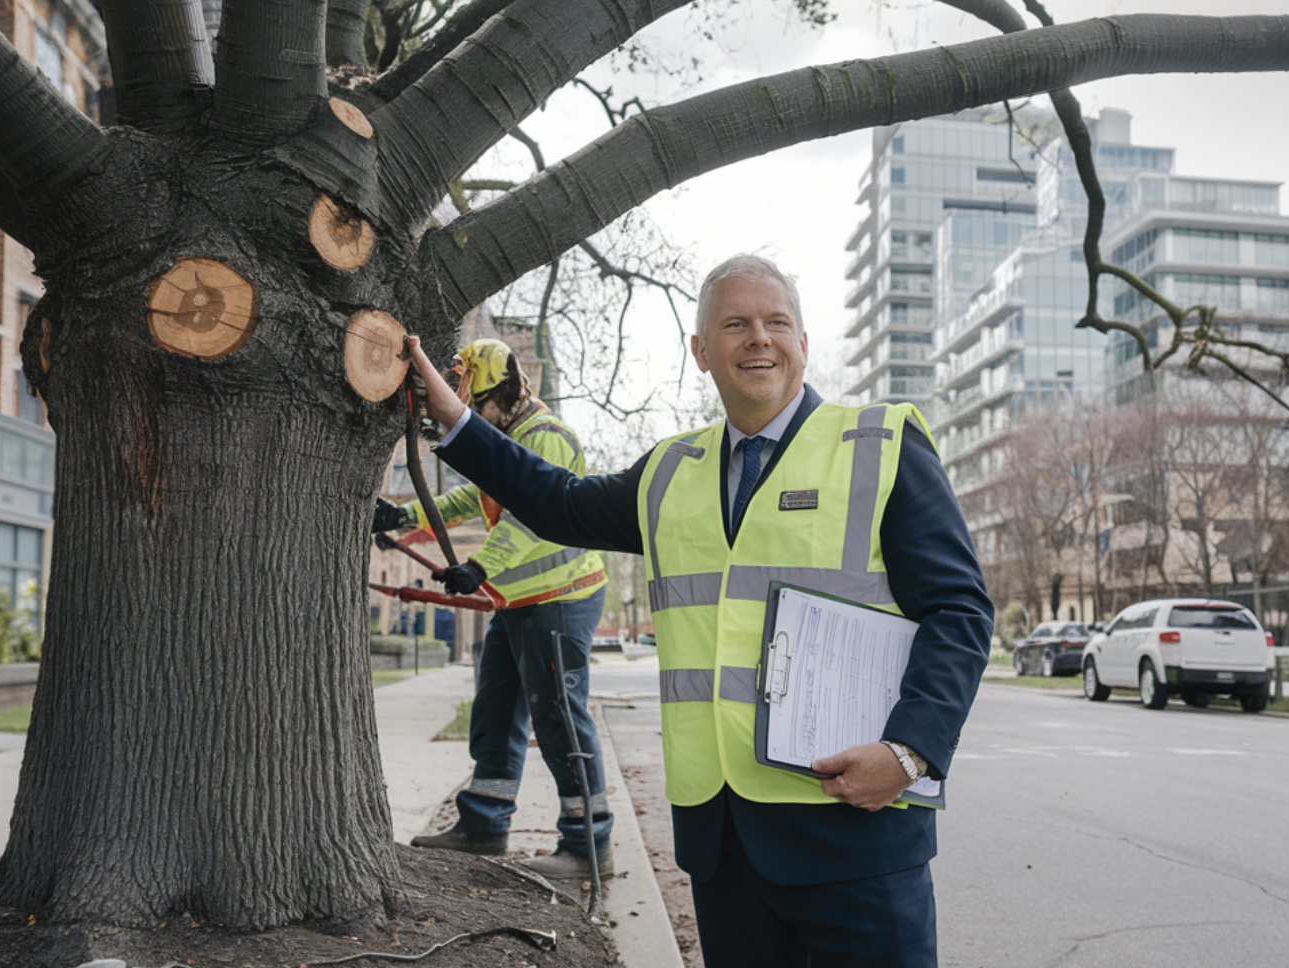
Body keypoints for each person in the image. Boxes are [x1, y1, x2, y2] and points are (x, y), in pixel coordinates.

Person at [403, 256, 993, 967]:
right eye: (735, 324)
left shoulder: (881, 443)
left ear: (804, 342)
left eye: (777, 322)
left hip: (855, 832)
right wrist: (455, 418)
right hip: (724, 846)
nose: (759, 339)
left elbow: (958, 609)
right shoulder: (669, 471)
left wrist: (909, 753)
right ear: (701, 352)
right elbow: (557, 500)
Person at [372, 339, 613, 879]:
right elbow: (466, 500)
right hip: (519, 602)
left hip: (561, 600)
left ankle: (588, 847)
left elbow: (531, 518)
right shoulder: (507, 436)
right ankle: (483, 826)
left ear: (505, 391)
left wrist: (480, 568)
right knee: (497, 711)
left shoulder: (547, 439)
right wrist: (403, 518)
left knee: (559, 719)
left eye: (477, 407)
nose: (474, 419)